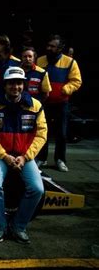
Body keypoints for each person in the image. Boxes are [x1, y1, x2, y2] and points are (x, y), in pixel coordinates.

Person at [0, 66, 46, 244]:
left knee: (38, 189)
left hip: (25, 156)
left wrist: (25, 157)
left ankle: (19, 226)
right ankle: (0, 226)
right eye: (11, 83)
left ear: (23, 85)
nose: (15, 87)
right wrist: (4, 156)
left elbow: (41, 135)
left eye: (18, 83)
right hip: (1, 156)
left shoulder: (35, 106)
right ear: (5, 85)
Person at [36, 35, 82, 172]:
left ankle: (60, 159)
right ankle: (41, 158)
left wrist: (65, 90)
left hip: (62, 103)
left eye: (52, 46)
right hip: (44, 103)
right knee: (43, 131)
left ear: (60, 48)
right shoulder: (40, 60)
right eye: (48, 45)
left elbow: (76, 81)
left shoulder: (70, 62)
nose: (49, 48)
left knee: (61, 133)